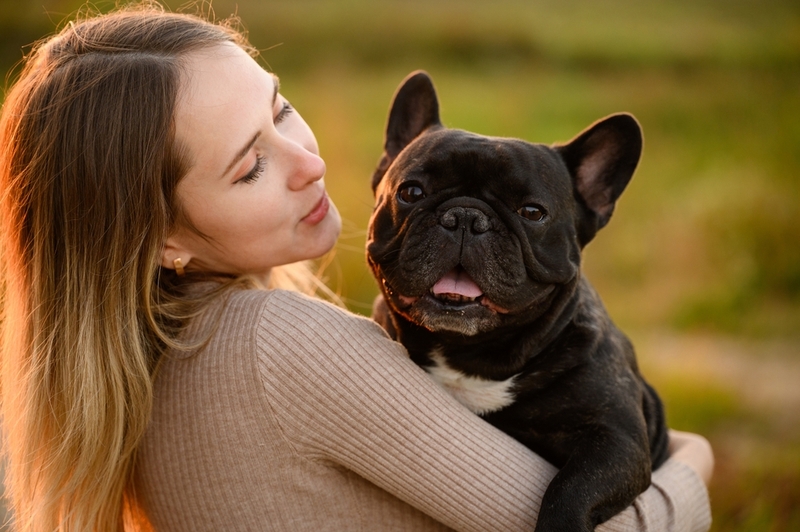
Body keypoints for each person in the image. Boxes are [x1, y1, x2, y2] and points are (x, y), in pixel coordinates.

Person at [0, 4, 714, 531]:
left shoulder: (152, 363)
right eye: (251, 165)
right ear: (160, 241)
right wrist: (695, 456)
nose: (310, 161)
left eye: (283, 110)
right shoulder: (281, 348)